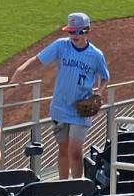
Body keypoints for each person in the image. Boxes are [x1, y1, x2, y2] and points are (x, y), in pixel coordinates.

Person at [34, 13, 109, 180]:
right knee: (63, 149)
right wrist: (20, 71)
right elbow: (39, 59)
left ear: (87, 31)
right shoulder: (61, 46)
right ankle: (63, 186)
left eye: (78, 32)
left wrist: (98, 92)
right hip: (60, 107)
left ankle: (77, 187)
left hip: (80, 111)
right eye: (71, 32)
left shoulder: (96, 55)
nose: (74, 36)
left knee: (75, 151)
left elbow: (105, 77)